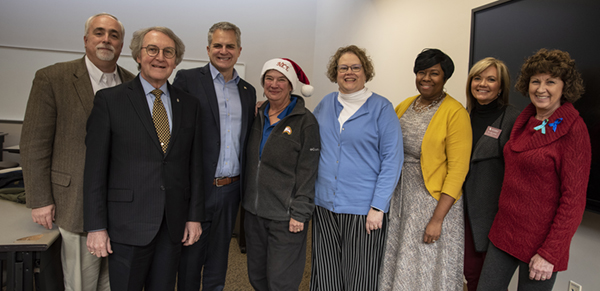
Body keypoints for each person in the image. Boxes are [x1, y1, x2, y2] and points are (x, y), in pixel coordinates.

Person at [20, 13, 134, 291]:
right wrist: (39, 199)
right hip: (74, 201)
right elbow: (34, 142)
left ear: (121, 45)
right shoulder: (52, 78)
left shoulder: (132, 83)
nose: (106, 39)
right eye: (99, 32)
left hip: (122, 204)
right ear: (86, 40)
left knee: (114, 280)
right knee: (82, 282)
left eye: (114, 35)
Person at [84, 26, 203, 291]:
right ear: (138, 55)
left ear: (176, 60)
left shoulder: (189, 105)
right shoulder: (110, 101)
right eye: (152, 50)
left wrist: (194, 217)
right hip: (127, 224)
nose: (160, 57)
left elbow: (194, 166)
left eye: (168, 52)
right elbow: (94, 170)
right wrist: (95, 226)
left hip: (172, 224)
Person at [477, 49, 591, 291]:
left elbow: (574, 201)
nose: (541, 88)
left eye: (551, 81)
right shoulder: (525, 120)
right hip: (504, 233)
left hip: (542, 245)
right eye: (535, 81)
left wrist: (549, 254)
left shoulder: (574, 130)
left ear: (564, 86)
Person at [311, 45, 403, 291]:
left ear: (365, 72)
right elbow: (305, 133)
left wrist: (378, 206)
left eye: (355, 67)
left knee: (360, 277)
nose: (349, 72)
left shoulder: (382, 108)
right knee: (326, 273)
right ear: (335, 72)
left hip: (363, 209)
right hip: (324, 205)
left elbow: (392, 160)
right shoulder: (326, 104)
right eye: (343, 68)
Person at [379, 48, 472, 291]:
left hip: (432, 201)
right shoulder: (406, 105)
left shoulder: (456, 113)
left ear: (445, 77)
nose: (426, 78)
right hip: (401, 196)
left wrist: (437, 219)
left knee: (424, 264)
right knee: (399, 258)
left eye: (434, 73)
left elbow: (458, 171)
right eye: (421, 72)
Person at [174, 21, 257, 291]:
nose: (224, 51)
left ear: (239, 50)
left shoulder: (247, 90)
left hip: (231, 190)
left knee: (219, 261)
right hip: (197, 189)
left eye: (230, 46)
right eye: (218, 45)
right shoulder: (187, 80)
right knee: (190, 261)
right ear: (208, 48)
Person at [243, 58, 320, 290]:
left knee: (281, 282)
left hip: (286, 218)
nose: (274, 84)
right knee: (257, 278)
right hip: (253, 214)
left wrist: (300, 211)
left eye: (281, 80)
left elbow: (309, 170)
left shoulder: (305, 123)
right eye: (269, 78)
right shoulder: (256, 114)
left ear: (291, 86)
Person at [462, 57, 520, 291]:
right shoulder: (462, 115)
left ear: (501, 86)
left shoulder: (514, 119)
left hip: (492, 214)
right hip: (460, 210)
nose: (482, 84)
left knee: (489, 281)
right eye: (477, 78)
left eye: (491, 79)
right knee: (469, 273)